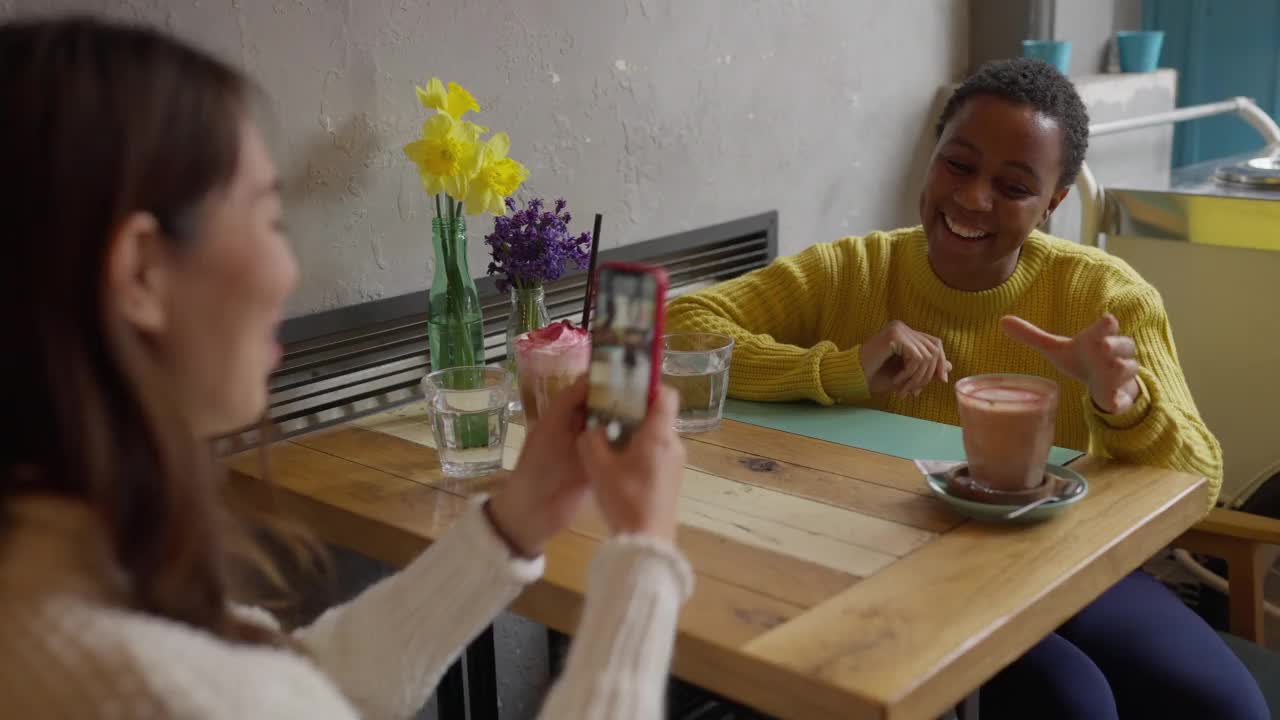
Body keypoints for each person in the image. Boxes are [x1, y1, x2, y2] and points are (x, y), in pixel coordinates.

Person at [0, 16, 691, 719]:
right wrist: (642, 556)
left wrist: (515, 521)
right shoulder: (137, 685)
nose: (288, 270)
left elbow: (303, 685)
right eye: (271, 220)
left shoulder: (49, 587)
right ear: (142, 272)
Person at [668, 57, 1266, 719]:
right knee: (1070, 701)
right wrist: (842, 368)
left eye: (1013, 186)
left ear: (1052, 204)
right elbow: (678, 326)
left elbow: (1197, 480)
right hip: (891, 558)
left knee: (1225, 705)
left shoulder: (1101, 295)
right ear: (931, 159)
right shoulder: (854, 269)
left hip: (1060, 557)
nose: (974, 198)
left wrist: (1121, 405)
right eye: (958, 165)